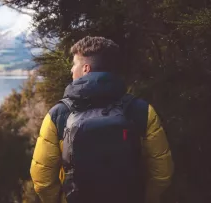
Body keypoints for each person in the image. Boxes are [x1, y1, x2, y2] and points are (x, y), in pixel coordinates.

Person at [30, 36, 174, 203]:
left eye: (74, 64)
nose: (71, 70)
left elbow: (42, 181)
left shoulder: (58, 115)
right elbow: (162, 174)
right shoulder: (142, 111)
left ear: (86, 68)